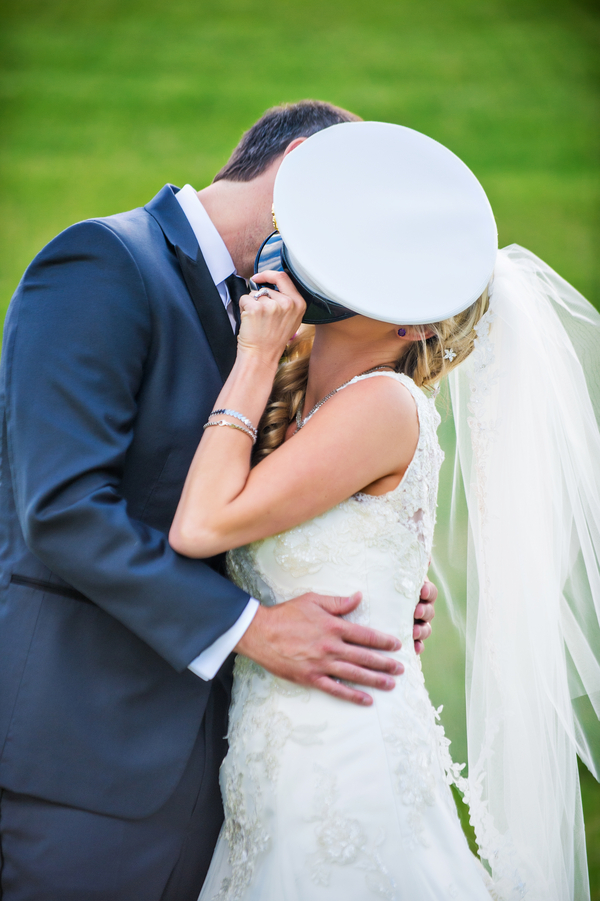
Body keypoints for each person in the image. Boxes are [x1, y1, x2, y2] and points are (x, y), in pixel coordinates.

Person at [0, 102, 438, 901]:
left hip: (233, 775)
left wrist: (368, 579)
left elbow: (261, 494)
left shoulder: (282, 319)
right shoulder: (103, 262)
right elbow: (63, 507)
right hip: (84, 759)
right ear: (301, 166)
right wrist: (257, 626)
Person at [170, 122, 600, 900]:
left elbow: (200, 526)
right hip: (275, 773)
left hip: (344, 767)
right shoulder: (308, 398)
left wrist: (258, 353)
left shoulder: (384, 405)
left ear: (419, 322)